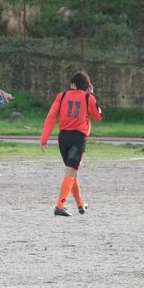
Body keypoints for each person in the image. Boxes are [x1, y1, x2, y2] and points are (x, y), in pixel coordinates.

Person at [39, 71, 102, 217]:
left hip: (63, 138)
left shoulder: (61, 96)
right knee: (70, 173)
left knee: (72, 173)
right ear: (87, 86)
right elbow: (98, 116)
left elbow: (50, 117)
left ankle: (80, 204)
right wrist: (91, 95)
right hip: (78, 139)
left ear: (72, 84)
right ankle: (60, 206)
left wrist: (44, 138)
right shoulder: (88, 98)